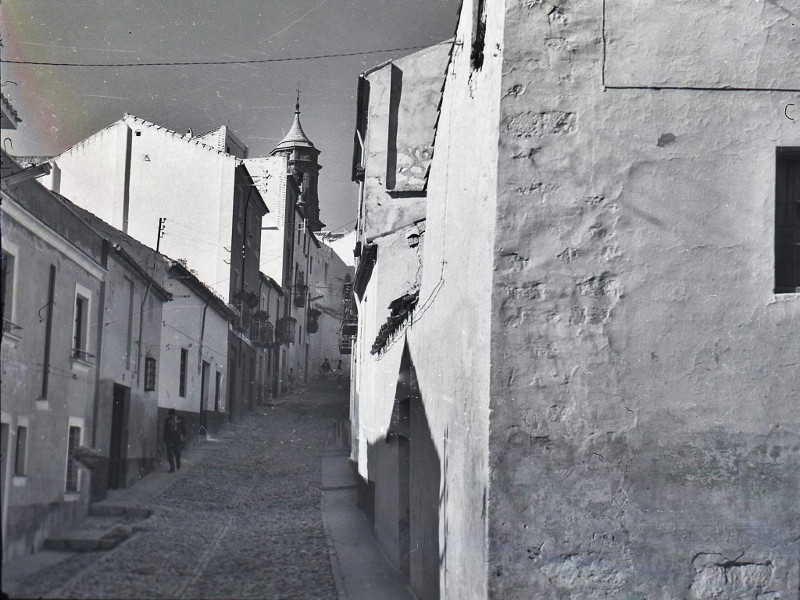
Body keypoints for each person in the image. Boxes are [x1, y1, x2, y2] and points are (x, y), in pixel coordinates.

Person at [163, 409, 186, 473]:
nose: (171, 417)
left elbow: (184, 428)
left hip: (177, 437)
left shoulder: (180, 419)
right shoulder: (167, 420)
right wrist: (164, 439)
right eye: (170, 416)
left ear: (174, 415)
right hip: (169, 437)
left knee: (177, 452)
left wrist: (184, 436)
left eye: (172, 416)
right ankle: (172, 467)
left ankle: (178, 462)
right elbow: (165, 430)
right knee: (169, 453)